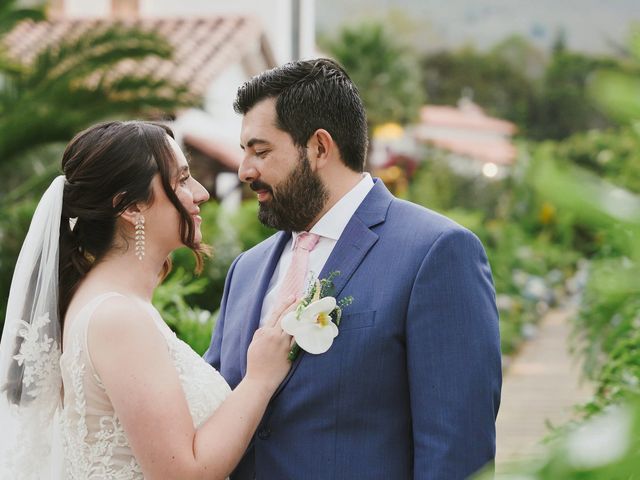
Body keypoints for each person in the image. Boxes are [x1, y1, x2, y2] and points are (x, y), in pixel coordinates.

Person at [205, 58, 502, 479]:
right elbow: (215, 406)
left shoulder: (436, 252)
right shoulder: (246, 270)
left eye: (261, 150)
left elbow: (457, 448)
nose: (245, 170)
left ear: (319, 147)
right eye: (245, 152)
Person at [0, 121, 295, 479]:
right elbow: (184, 473)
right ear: (131, 207)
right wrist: (260, 379)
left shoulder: (106, 301)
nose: (201, 193)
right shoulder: (117, 317)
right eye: (182, 180)